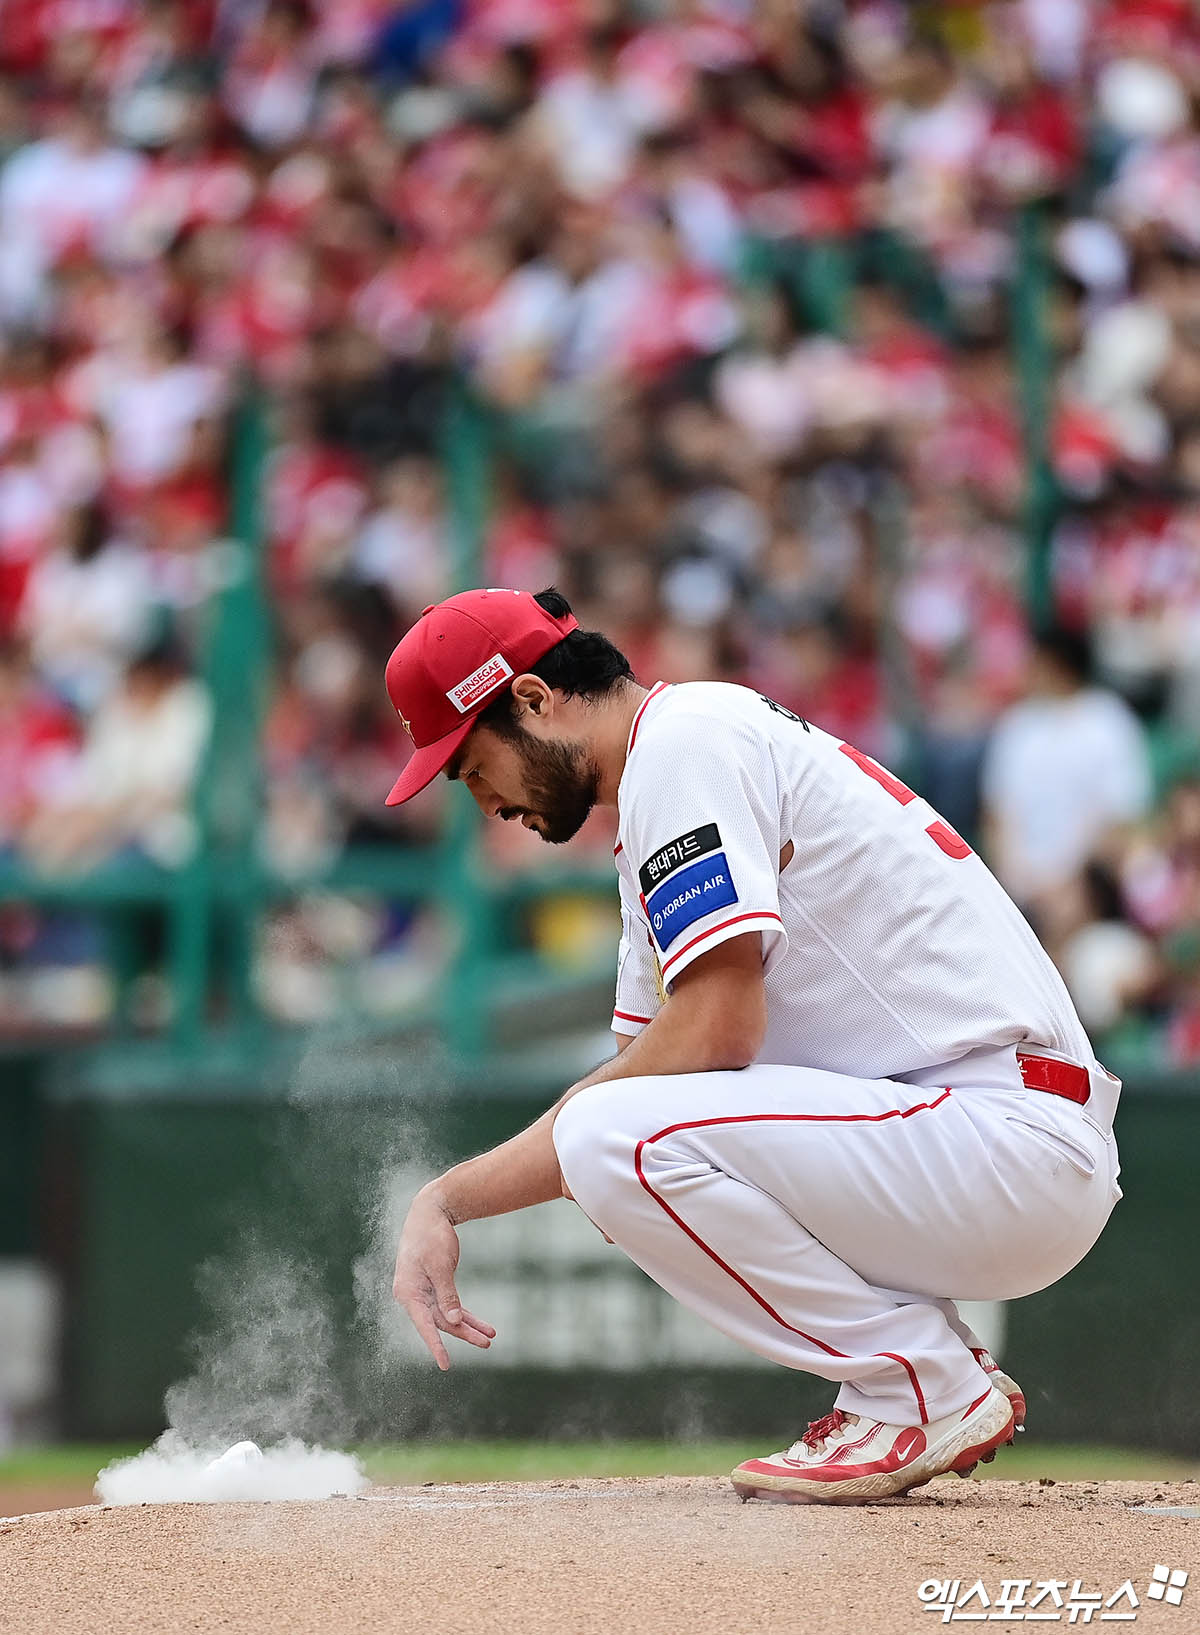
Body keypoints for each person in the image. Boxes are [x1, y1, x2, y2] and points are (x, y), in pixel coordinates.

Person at [384, 587, 1123, 1505]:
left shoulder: (684, 742)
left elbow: (710, 1037)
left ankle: (916, 1382)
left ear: (533, 699)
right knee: (615, 1134)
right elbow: (636, 1090)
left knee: (612, 1133)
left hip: (1004, 1134)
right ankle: (915, 1368)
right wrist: (446, 1201)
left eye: (469, 760)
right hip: (969, 1138)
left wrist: (464, 1190)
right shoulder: (660, 790)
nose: (479, 797)